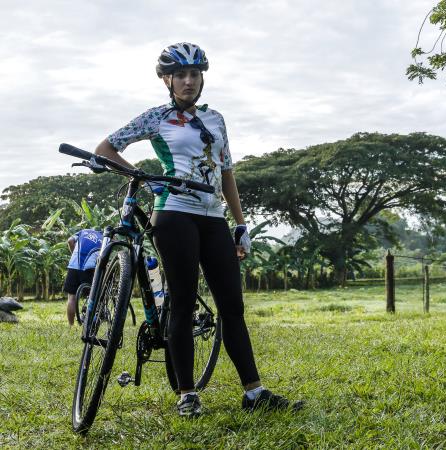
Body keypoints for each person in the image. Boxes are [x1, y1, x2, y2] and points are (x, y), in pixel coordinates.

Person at [94, 42, 302, 417]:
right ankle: (187, 394)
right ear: (166, 80)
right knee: (184, 301)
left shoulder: (216, 119)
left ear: (202, 78)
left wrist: (240, 224)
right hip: (174, 214)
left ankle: (254, 393)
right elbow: (105, 149)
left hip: (213, 217)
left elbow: (226, 173)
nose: (188, 81)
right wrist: (144, 178)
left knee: (232, 307)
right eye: (180, 75)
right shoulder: (156, 118)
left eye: (195, 74)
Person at [64, 228, 103, 325]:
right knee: (92, 296)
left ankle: (71, 326)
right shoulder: (103, 237)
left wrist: (74, 254)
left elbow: (70, 241)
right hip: (89, 268)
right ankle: (90, 322)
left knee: (71, 298)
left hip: (73, 265)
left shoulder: (83, 232)